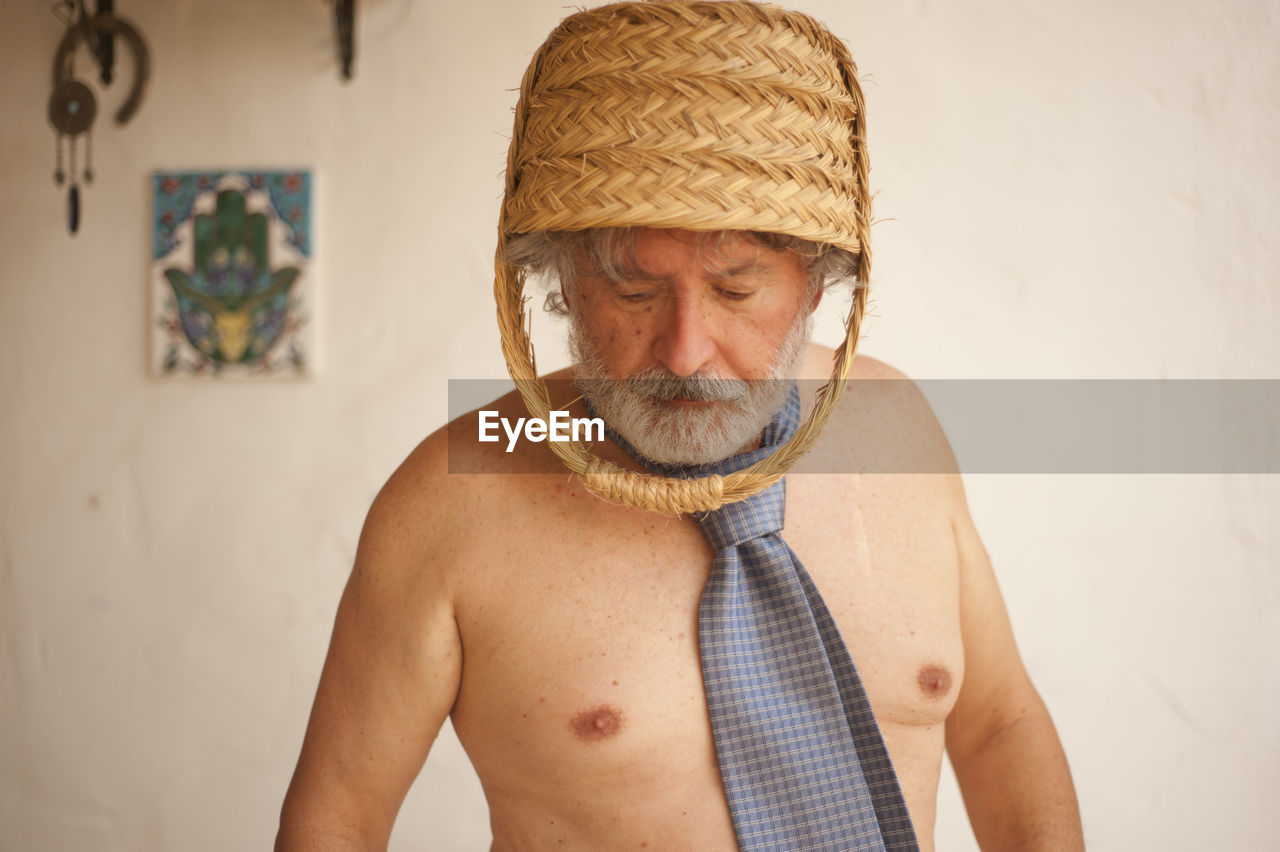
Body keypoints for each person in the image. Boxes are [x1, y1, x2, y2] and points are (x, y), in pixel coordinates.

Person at [277, 2, 1084, 850]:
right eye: (633, 291)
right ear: (559, 280)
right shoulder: (451, 499)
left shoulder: (897, 431)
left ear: (817, 283)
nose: (685, 351)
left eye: (737, 290)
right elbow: (339, 817)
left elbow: (999, 723)